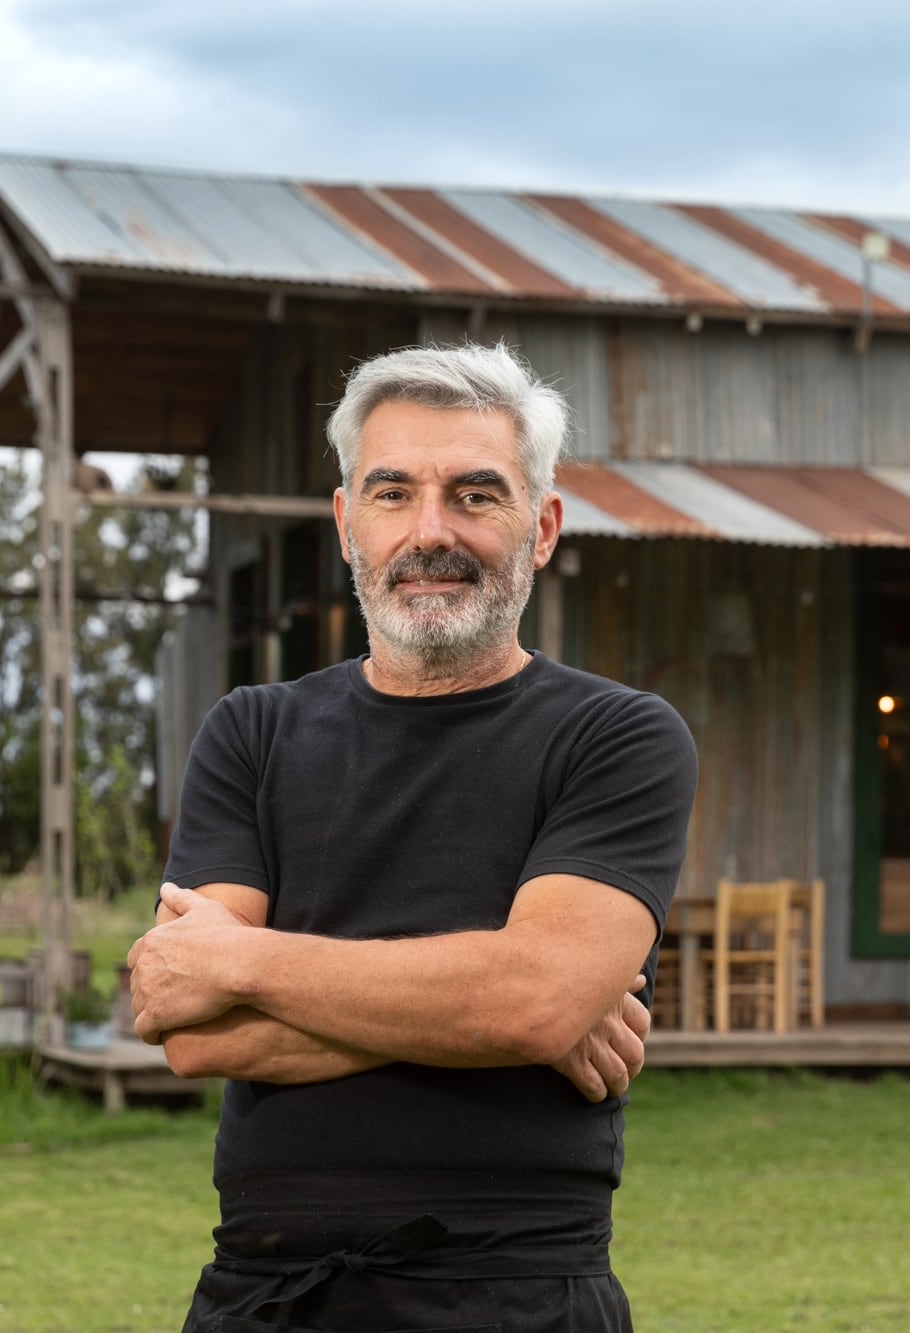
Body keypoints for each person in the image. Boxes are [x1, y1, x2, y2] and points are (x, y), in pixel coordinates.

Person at [127, 341, 697, 1332]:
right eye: (392, 492)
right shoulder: (252, 732)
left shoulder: (617, 736)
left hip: (518, 1291)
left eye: (475, 494)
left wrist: (245, 959)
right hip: (265, 1293)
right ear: (348, 522)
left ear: (543, 526)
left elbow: (530, 1004)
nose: (429, 531)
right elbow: (189, 1023)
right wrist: (496, 1000)